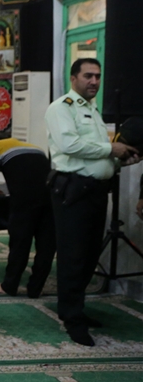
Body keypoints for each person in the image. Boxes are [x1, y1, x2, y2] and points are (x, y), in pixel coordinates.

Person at [44, 58, 140, 346]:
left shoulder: (92, 110)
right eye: (88, 76)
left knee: (88, 256)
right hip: (72, 190)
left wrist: (123, 159)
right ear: (73, 78)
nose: (94, 81)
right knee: (73, 256)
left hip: (96, 191)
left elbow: (98, 156)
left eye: (97, 76)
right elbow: (69, 145)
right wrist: (111, 148)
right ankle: (72, 320)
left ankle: (74, 309)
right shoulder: (61, 108)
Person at [0, 134, 55, 298]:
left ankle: (9, 286)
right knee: (46, 246)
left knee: (20, 244)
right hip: (50, 200)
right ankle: (35, 289)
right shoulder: (37, 149)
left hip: (24, 202)